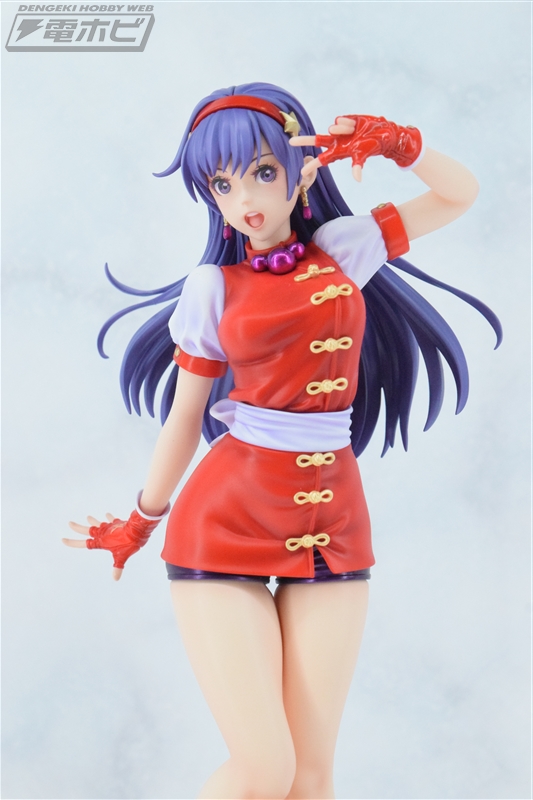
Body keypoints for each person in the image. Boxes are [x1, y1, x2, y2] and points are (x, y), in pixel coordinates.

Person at [63, 83, 501, 800]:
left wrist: (400, 144)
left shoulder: (345, 251)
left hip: (334, 521)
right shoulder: (212, 288)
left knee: (312, 776)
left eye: (263, 172)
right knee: (265, 769)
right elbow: (185, 416)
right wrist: (140, 521)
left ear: (302, 172)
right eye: (223, 184)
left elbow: (459, 194)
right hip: (225, 522)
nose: (245, 199)